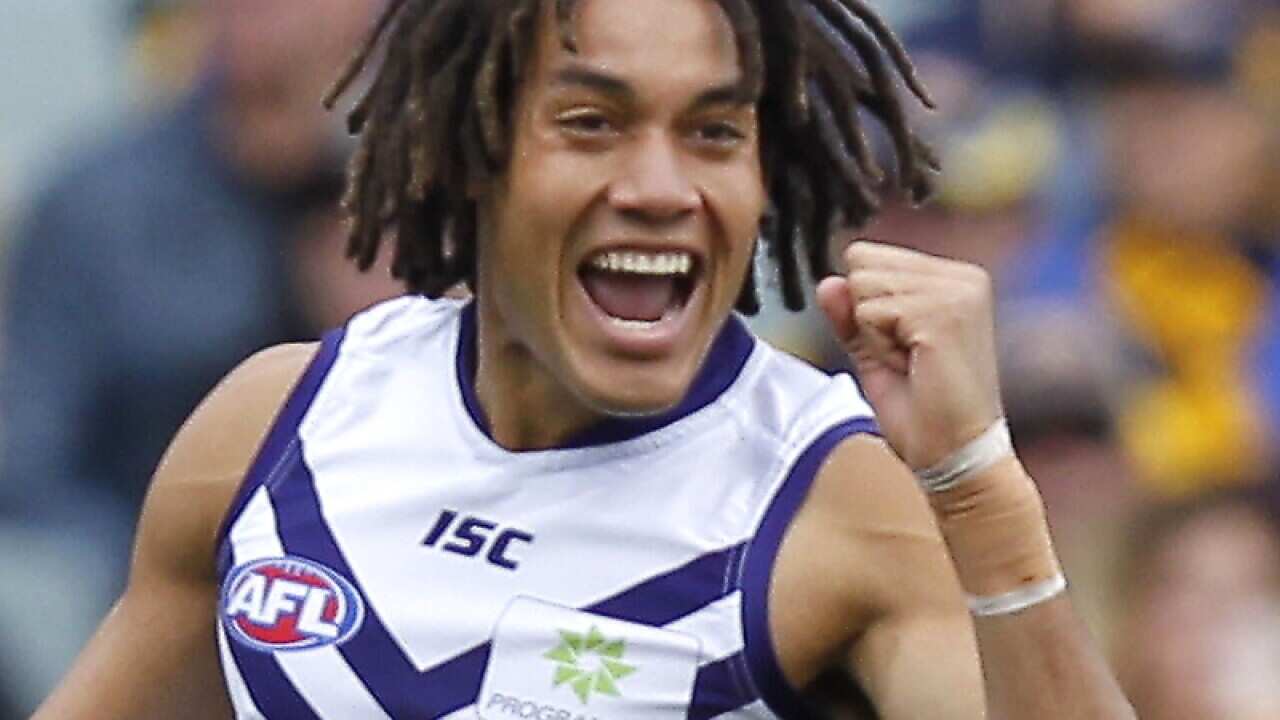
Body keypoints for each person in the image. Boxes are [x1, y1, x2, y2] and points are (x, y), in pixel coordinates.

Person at [35, 0, 1134, 717]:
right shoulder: (273, 430)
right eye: (591, 124)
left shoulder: (836, 499)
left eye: (712, 132)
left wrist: (980, 495)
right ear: (469, 156)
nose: (659, 187)